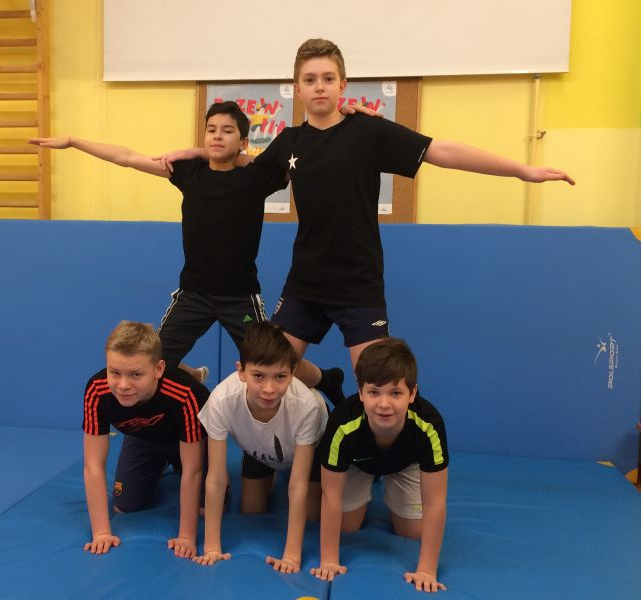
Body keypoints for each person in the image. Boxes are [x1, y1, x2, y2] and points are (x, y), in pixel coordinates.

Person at [160, 39, 574, 381]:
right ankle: (326, 385)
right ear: (297, 88)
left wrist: (523, 170)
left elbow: (441, 151)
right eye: (310, 80)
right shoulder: (289, 141)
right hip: (305, 283)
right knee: (269, 369)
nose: (319, 87)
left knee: (376, 384)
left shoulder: (368, 131)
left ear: (343, 85)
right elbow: (242, 164)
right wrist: (198, 152)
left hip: (358, 283)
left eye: (328, 78)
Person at [29, 101, 345, 404]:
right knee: (153, 361)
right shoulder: (188, 172)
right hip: (193, 294)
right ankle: (193, 376)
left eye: (227, 131)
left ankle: (325, 378)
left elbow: (295, 160)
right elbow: (126, 157)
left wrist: (208, 152)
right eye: (211, 130)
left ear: (243, 142)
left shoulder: (255, 178)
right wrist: (73, 141)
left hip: (240, 297)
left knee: (273, 361)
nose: (217, 136)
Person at [312, 338, 449, 593]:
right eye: (374, 392)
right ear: (361, 392)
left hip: (405, 463)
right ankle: (372, 478)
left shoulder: (429, 424)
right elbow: (331, 496)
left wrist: (427, 569)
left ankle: (388, 481)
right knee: (347, 527)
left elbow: (435, 501)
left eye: (395, 393)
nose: (384, 404)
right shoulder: (343, 422)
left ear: (412, 393)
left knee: (412, 532)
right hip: (358, 463)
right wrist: (329, 560)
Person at [194, 322, 328, 573]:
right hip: (258, 447)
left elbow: (297, 484)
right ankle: (270, 473)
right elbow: (216, 477)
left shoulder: (306, 406)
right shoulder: (222, 399)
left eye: (280, 377)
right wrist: (212, 546)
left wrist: (292, 556)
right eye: (258, 376)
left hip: (311, 448)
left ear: (292, 373)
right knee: (251, 513)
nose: (269, 389)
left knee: (312, 518)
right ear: (241, 371)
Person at [81, 320, 208, 559]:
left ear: (158, 369)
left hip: (187, 440)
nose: (123, 385)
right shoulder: (97, 390)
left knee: (206, 508)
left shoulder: (185, 394)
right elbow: (93, 465)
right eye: (114, 372)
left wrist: (186, 536)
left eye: (136, 374)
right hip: (144, 437)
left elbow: (193, 470)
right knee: (124, 506)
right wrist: (101, 533)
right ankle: (157, 465)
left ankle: (190, 373)